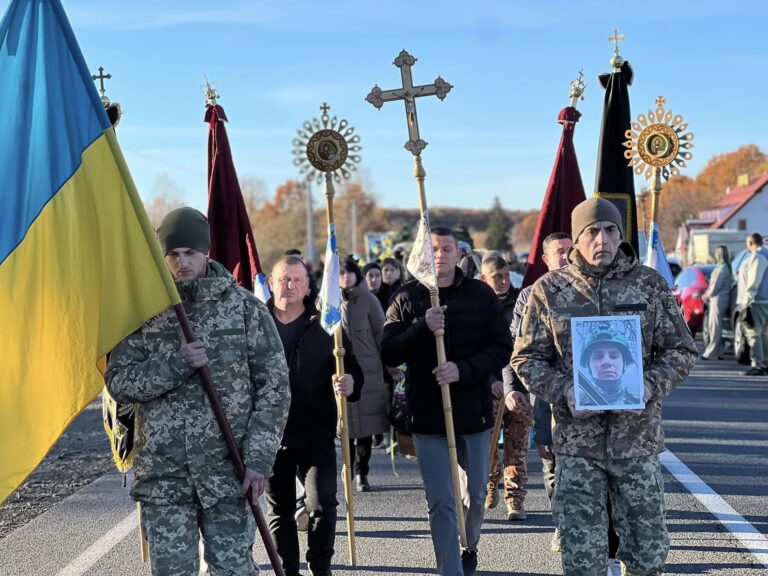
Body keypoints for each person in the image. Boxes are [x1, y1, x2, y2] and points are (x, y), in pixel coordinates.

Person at [511, 198, 697, 576]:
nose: (602, 239)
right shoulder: (550, 291)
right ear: (576, 239)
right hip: (578, 447)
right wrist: (565, 390)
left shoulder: (649, 285)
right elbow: (525, 359)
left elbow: (680, 350)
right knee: (582, 559)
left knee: (648, 555)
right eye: (592, 231)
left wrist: (648, 385)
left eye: (611, 230)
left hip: (637, 441)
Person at [105, 207, 290, 576]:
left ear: (206, 251)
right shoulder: (145, 314)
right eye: (172, 255)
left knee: (235, 571)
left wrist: (258, 460)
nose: (182, 262)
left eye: (190, 252)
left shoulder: (244, 310)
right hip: (165, 479)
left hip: (229, 475)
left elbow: (275, 387)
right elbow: (119, 383)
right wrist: (174, 364)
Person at [382, 226, 512, 576]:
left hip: (472, 413)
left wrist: (463, 370)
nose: (439, 255)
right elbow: (389, 352)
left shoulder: (480, 295)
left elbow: (502, 347)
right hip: (427, 415)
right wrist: (422, 326)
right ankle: (450, 570)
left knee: (475, 497)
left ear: (459, 254)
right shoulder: (407, 296)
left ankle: (469, 544)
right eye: (433, 249)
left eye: (446, 249)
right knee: (441, 501)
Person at [265, 255, 364, 576]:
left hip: (316, 432)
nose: (289, 286)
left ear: (308, 286)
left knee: (322, 505)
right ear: (270, 283)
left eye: (296, 280)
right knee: (279, 512)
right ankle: (288, 571)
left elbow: (352, 368)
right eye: (283, 279)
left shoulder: (327, 325)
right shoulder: (256, 323)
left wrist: (350, 382)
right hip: (268, 435)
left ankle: (320, 566)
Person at [503, 231, 571, 549]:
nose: (567, 256)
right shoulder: (529, 296)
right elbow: (517, 349)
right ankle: (562, 525)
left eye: (572, 250)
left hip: (589, 393)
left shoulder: (594, 290)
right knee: (553, 463)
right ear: (545, 258)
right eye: (560, 251)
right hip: (547, 395)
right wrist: (511, 388)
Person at [477, 252, 529, 521]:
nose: (504, 281)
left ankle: (515, 497)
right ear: (484, 277)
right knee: (486, 446)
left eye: (507, 275)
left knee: (517, 444)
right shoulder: (476, 305)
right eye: (497, 277)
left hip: (519, 385)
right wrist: (490, 381)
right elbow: (472, 349)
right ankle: (489, 483)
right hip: (488, 386)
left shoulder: (521, 301)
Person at [340, 256, 389, 492]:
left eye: (350, 272)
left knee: (367, 427)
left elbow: (381, 334)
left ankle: (363, 472)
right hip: (341, 372)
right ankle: (347, 470)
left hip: (369, 371)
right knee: (346, 426)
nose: (346, 277)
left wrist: (391, 366)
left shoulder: (369, 300)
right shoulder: (328, 303)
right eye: (341, 273)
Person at [577, 326, 642, 408]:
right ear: (588, 365)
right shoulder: (577, 401)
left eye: (614, 356)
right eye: (598, 356)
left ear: (624, 363)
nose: (606, 362)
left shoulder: (640, 399)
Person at [738, 233, 768, 375]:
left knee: (753, 333)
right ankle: (765, 364)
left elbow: (754, 281)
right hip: (764, 300)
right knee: (764, 334)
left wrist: (747, 301)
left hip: (757, 301)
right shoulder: (766, 254)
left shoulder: (758, 257)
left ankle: (758, 365)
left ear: (751, 242)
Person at [701, 245, 732, 361]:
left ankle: (710, 353)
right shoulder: (723, 267)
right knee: (716, 327)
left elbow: (715, 287)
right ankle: (719, 352)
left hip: (718, 300)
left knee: (714, 328)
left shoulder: (722, 269)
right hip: (717, 300)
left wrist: (706, 295)